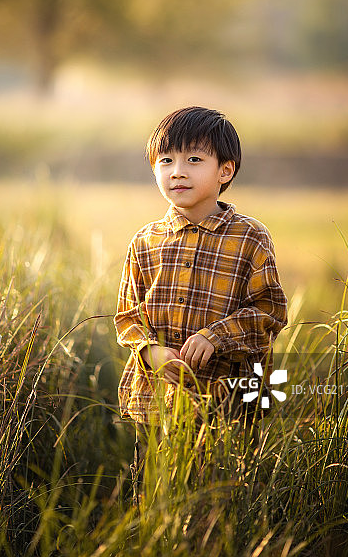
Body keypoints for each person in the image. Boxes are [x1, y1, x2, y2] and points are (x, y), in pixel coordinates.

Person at [114, 106, 288, 506]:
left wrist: (216, 337)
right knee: (157, 494)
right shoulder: (145, 241)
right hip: (158, 397)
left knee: (223, 497)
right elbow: (128, 315)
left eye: (194, 160)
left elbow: (269, 309)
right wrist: (150, 351)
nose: (178, 171)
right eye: (166, 161)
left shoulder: (249, 237)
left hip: (227, 398)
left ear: (224, 171)